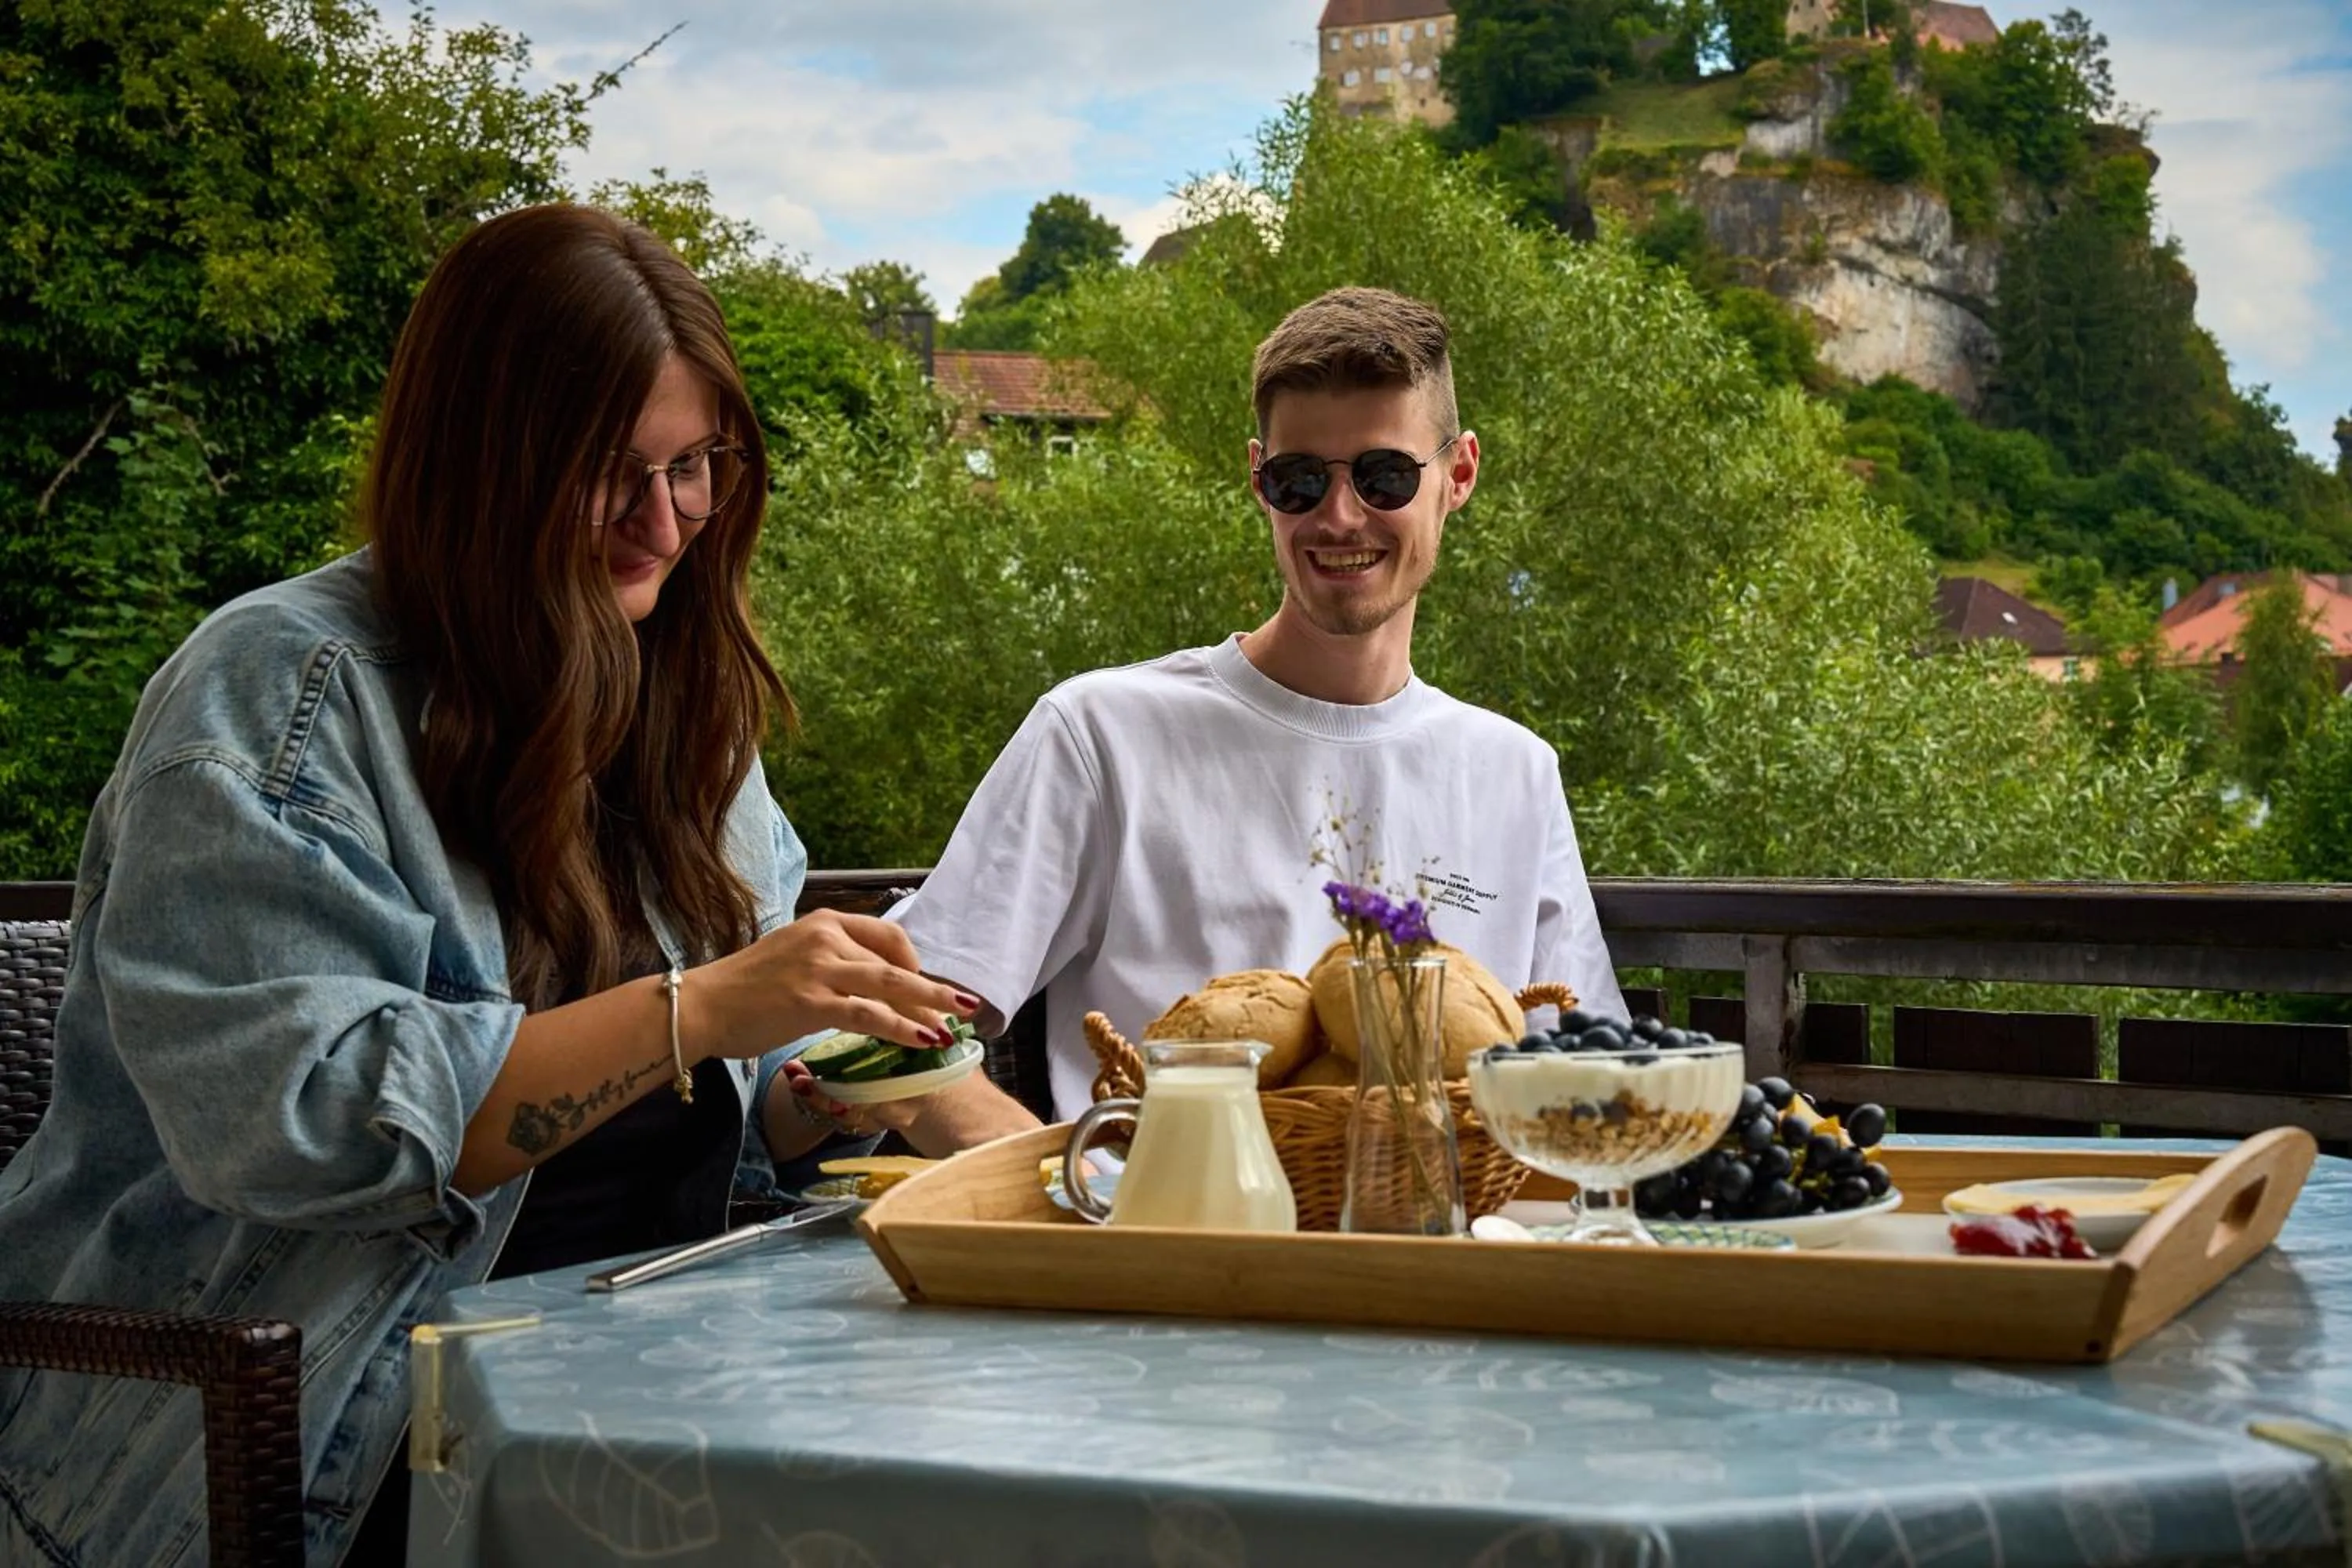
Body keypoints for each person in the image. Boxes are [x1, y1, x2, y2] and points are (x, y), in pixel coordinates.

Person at [0, 204, 1033, 1568]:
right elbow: (308, 1129)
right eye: (610, 473)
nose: (663, 522)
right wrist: (703, 1007)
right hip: (312, 1433)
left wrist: (941, 1114)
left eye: (694, 467)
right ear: (480, 462)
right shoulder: (282, 694)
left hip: (645, 1380)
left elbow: (739, 1100)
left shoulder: (676, 696)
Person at [895, 285, 1628, 1120]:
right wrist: (1061, 1181)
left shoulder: (1514, 772)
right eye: (1299, 480)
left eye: (1386, 477)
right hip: (1161, 1203)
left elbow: (1587, 1088)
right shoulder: (1101, 736)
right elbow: (900, 1034)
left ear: (1457, 475)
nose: (1340, 516)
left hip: (1447, 1207)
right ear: (1258, 479)